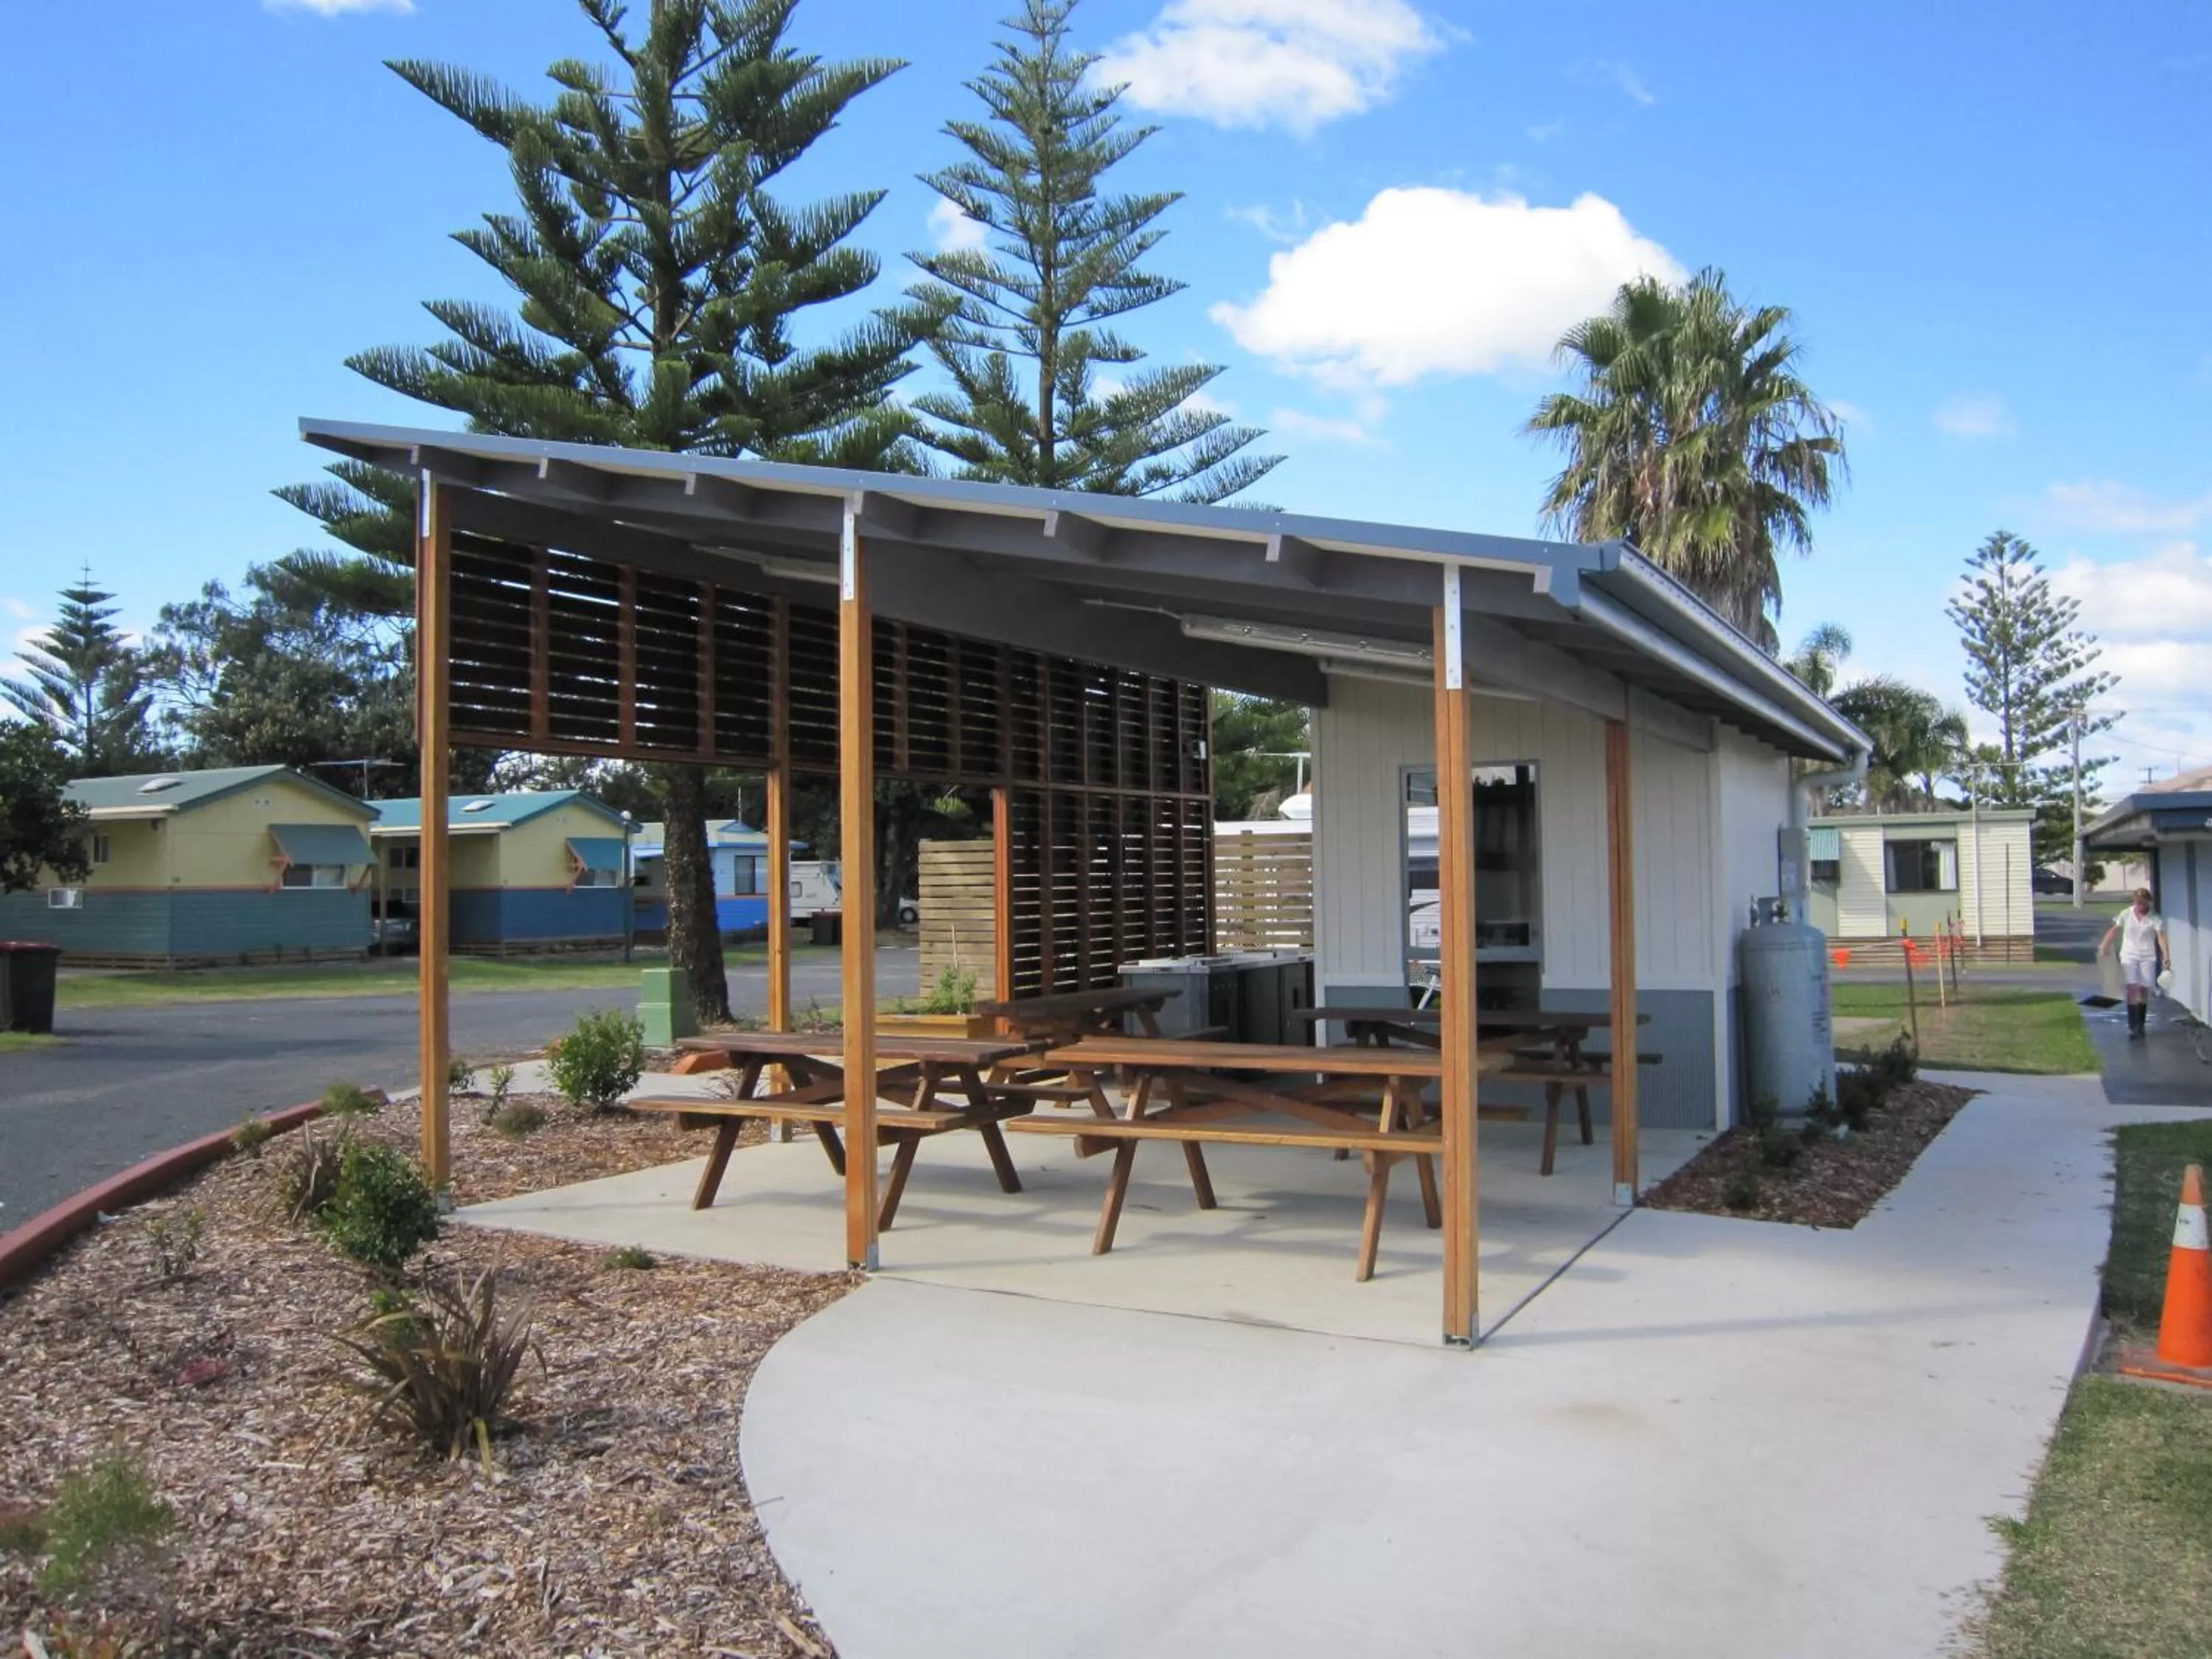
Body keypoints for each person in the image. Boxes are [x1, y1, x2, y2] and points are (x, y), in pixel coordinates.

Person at [2098, 887, 2171, 1039]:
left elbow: (2160, 937)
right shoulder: (2126, 914)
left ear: (2148, 903)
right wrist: (2105, 945)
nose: (2139, 906)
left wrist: (2166, 955)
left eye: (2142, 903)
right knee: (2132, 987)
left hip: (2147, 955)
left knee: (2143, 989)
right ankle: (2132, 1026)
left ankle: (2140, 1025)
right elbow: (2114, 930)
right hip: (2129, 954)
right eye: (2137, 903)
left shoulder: (2154, 917)